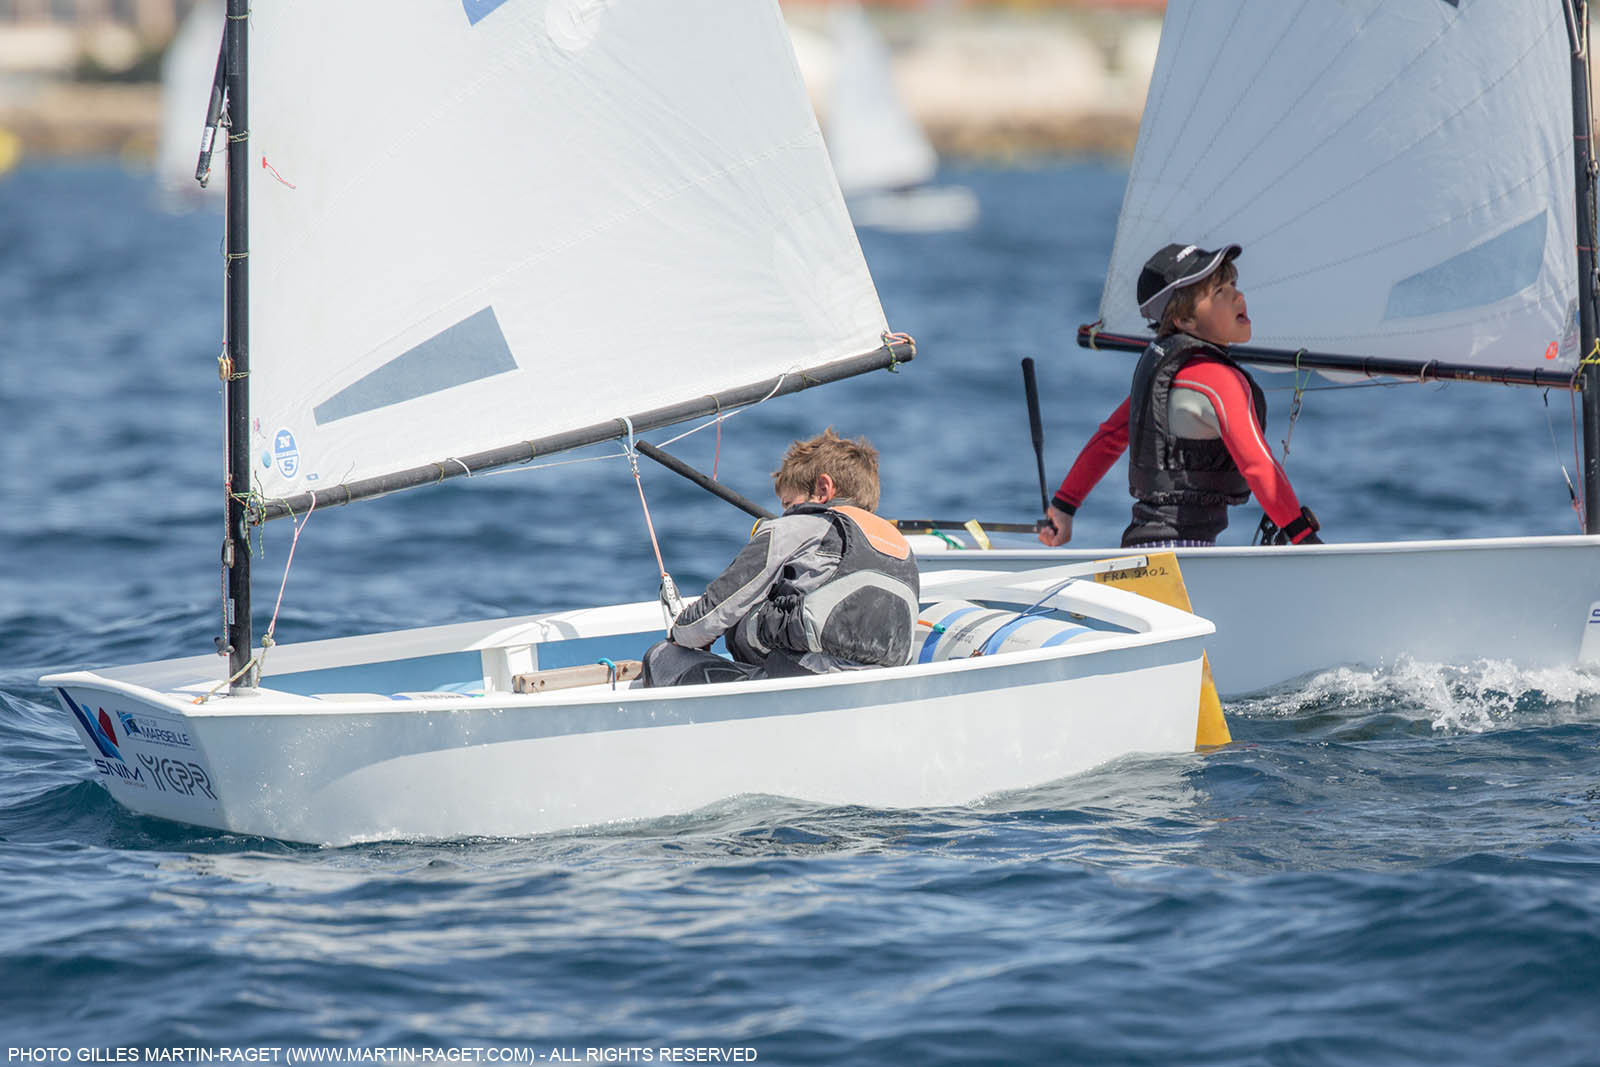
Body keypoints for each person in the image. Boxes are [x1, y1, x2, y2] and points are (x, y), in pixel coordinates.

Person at [1038, 242, 1322, 549]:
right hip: (1185, 559)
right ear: (1184, 321)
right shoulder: (1220, 380)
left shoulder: (1162, 373)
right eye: (1219, 292)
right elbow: (1258, 465)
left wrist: (1064, 506)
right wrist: (1303, 537)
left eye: (1232, 285)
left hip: (1140, 549)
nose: (1237, 296)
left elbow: (1109, 439)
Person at [641, 428, 920, 687]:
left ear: (823, 489)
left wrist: (682, 634)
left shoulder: (794, 528)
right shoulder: (901, 547)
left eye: (788, 504)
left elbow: (708, 617)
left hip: (805, 682)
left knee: (663, 657)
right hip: (883, 684)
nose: (785, 513)